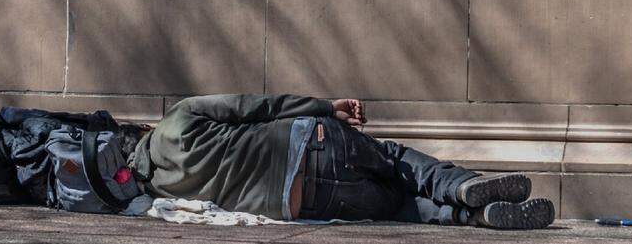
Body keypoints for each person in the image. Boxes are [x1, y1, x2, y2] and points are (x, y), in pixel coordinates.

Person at [130, 93, 555, 230]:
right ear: (145, 131)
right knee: (394, 159)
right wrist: (323, 106)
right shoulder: (178, 117)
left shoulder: (161, 193)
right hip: (308, 143)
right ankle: (461, 186)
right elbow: (258, 105)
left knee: (395, 208)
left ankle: (471, 217)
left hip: (304, 202)